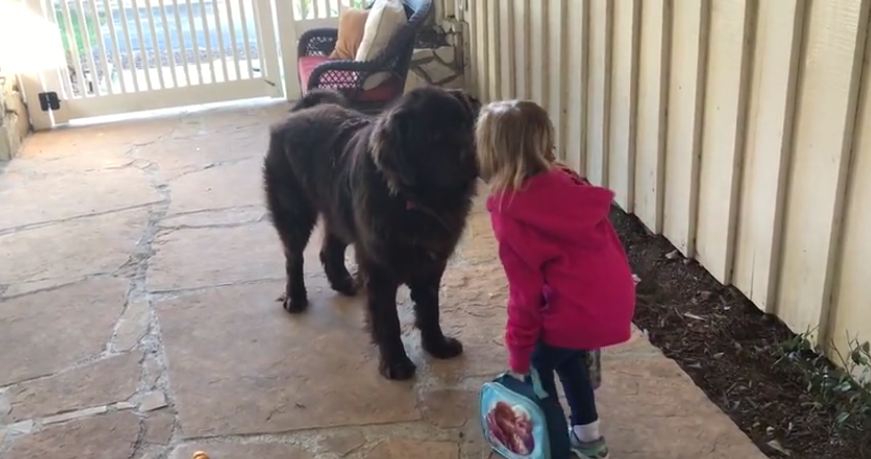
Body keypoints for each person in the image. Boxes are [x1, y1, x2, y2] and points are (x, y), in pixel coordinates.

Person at [475, 100, 636, 459]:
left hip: (574, 312)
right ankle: (589, 439)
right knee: (568, 359)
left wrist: (518, 354)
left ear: (488, 150)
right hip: (608, 303)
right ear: (544, 139)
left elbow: (524, 295)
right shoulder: (568, 182)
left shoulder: (510, 210)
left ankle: (553, 449)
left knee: (537, 373)